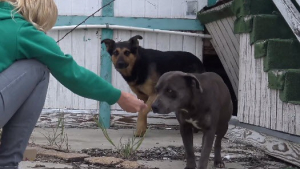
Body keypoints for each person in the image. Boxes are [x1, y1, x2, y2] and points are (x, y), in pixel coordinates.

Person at [0, 0, 147, 168]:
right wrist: (118, 96)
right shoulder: (22, 30)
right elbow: (72, 74)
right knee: (37, 68)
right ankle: (7, 163)